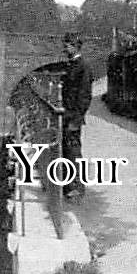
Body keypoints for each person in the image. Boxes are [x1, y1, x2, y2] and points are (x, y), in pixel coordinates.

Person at [60, 32, 93, 198]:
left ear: (74, 46)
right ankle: (68, 186)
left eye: (67, 45)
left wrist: (77, 119)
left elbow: (85, 96)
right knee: (67, 150)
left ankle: (76, 187)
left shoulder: (83, 66)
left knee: (73, 151)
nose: (64, 48)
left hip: (73, 117)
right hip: (67, 115)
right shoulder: (71, 64)